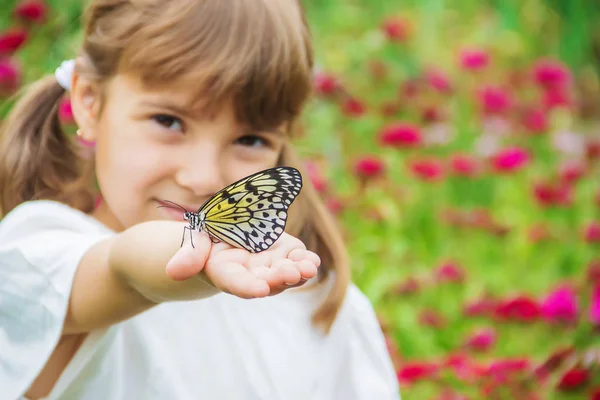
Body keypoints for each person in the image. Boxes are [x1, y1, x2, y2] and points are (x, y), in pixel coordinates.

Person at [0, 1, 400, 399]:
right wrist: (186, 259)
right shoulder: (40, 253)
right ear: (89, 101)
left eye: (250, 140)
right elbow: (118, 268)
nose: (203, 177)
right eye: (169, 121)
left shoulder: (320, 306)